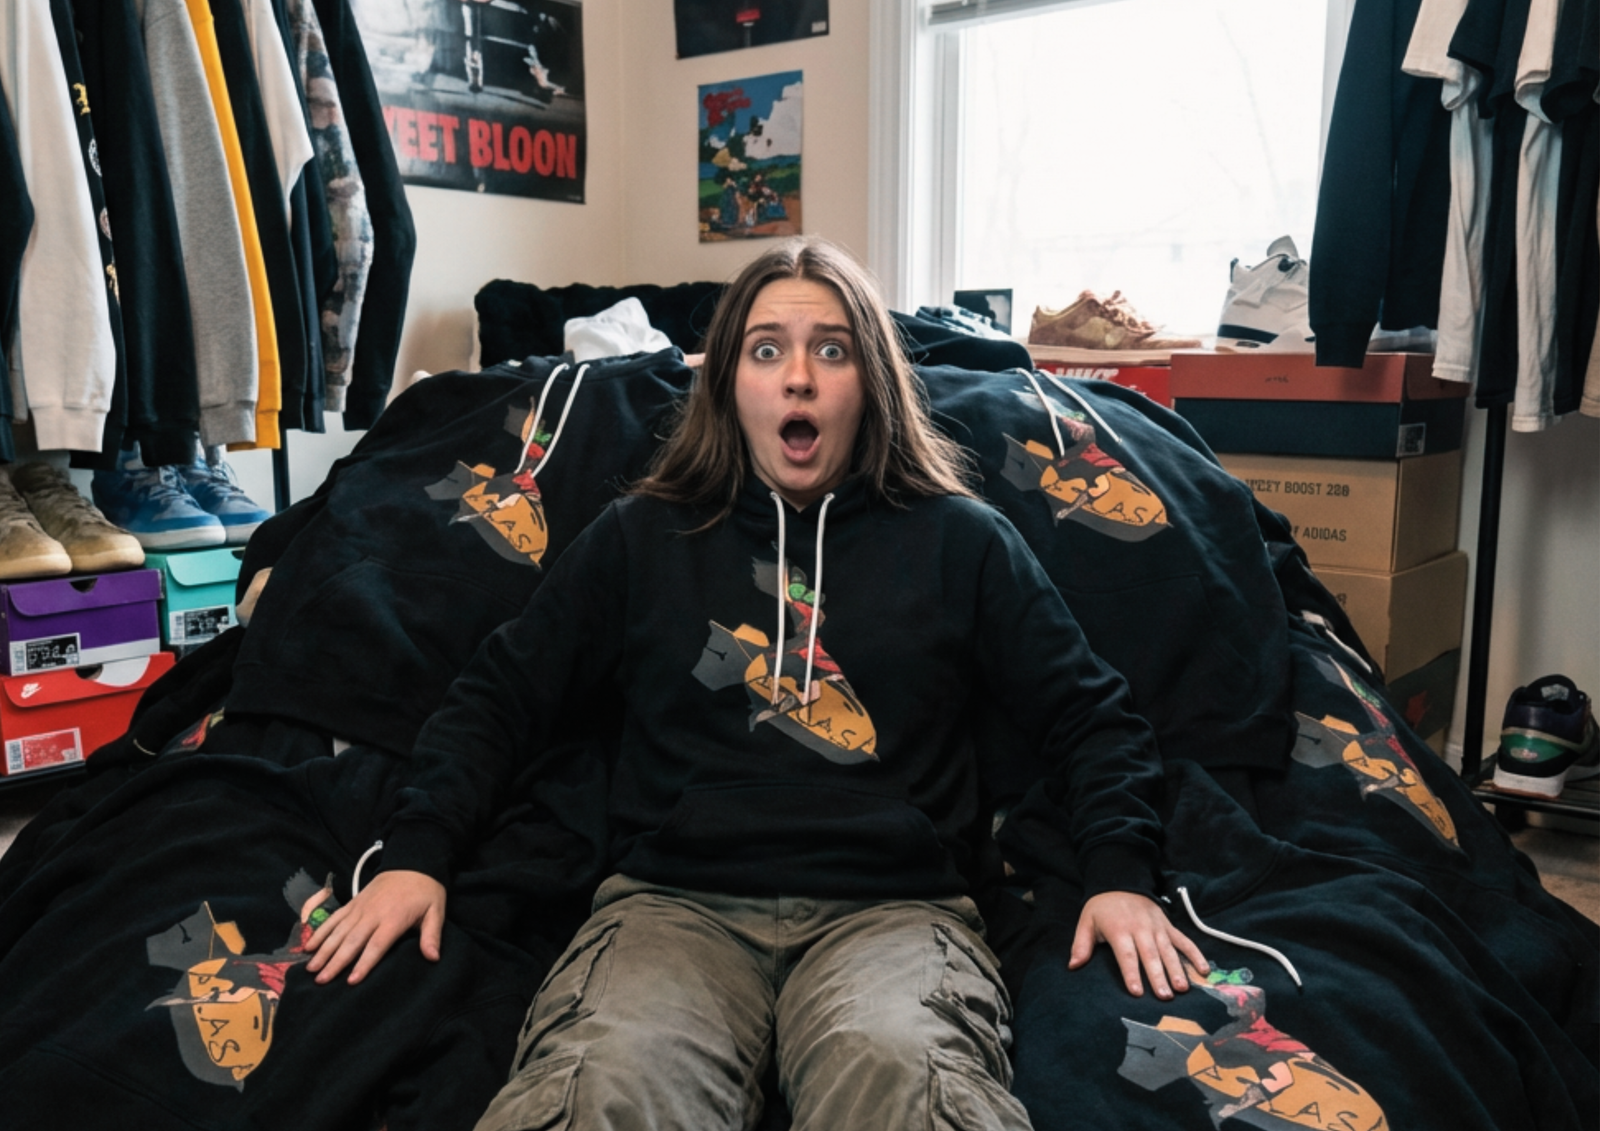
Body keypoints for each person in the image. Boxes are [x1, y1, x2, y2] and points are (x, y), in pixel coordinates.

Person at [305, 237, 1206, 1130]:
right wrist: (417, 854)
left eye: (833, 349)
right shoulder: (640, 536)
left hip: (895, 914)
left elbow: (1091, 713)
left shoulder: (961, 540)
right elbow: (499, 697)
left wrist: (1120, 874)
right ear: (729, 382)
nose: (799, 379)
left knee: (908, 1082)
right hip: (672, 911)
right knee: (603, 1085)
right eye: (767, 350)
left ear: (873, 383)